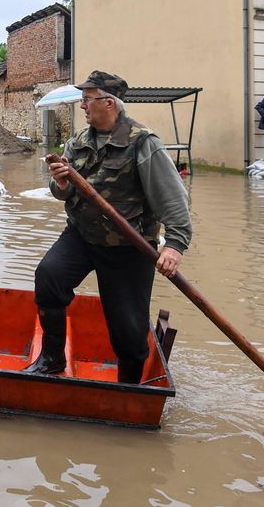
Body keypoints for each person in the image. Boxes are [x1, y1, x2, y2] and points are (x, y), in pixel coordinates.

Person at [26, 71, 193, 384]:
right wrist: (60, 182)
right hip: (82, 235)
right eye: (83, 100)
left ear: (109, 103)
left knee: (128, 330)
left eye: (88, 99)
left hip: (128, 247)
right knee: (49, 275)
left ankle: (129, 388)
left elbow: (173, 197)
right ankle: (51, 359)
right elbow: (61, 191)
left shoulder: (143, 142)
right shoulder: (78, 141)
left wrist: (175, 243)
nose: (83, 107)